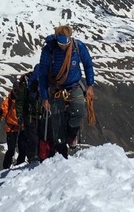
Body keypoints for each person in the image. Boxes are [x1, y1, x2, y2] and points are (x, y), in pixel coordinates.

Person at [38, 24, 95, 158]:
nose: (63, 46)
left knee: (80, 110)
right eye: (60, 43)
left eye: (66, 43)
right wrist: (44, 97)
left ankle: (72, 134)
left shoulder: (77, 46)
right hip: (56, 88)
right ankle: (61, 151)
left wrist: (90, 85)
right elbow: (43, 73)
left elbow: (88, 64)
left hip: (74, 85)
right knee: (56, 119)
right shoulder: (49, 50)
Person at [0, 79, 24, 170]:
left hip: (22, 127)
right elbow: (2, 112)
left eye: (18, 90)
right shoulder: (8, 101)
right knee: (11, 149)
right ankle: (6, 167)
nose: (17, 92)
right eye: (15, 90)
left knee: (23, 148)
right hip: (11, 128)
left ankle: (20, 164)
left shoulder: (23, 100)